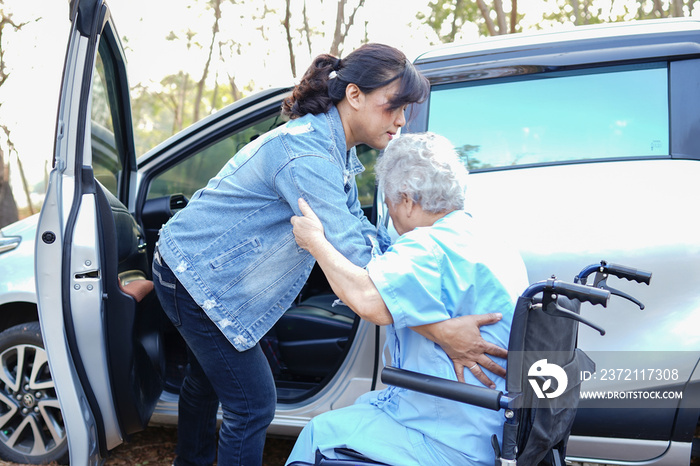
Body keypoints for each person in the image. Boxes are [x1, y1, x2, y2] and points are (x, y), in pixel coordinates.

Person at [152, 44, 506, 466]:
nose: (401, 121)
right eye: (394, 106)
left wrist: (413, 256)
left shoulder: (336, 149)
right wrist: (442, 328)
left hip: (213, 271)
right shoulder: (307, 155)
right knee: (253, 404)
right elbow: (355, 254)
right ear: (354, 95)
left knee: (206, 381)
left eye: (407, 109)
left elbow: (361, 232)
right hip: (194, 276)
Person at [286, 132, 529, 465]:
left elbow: (368, 300)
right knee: (362, 407)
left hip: (448, 436)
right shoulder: (489, 239)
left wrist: (315, 242)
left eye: (388, 202)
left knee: (317, 433)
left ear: (407, 199)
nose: (391, 215)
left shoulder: (426, 248)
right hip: (494, 426)